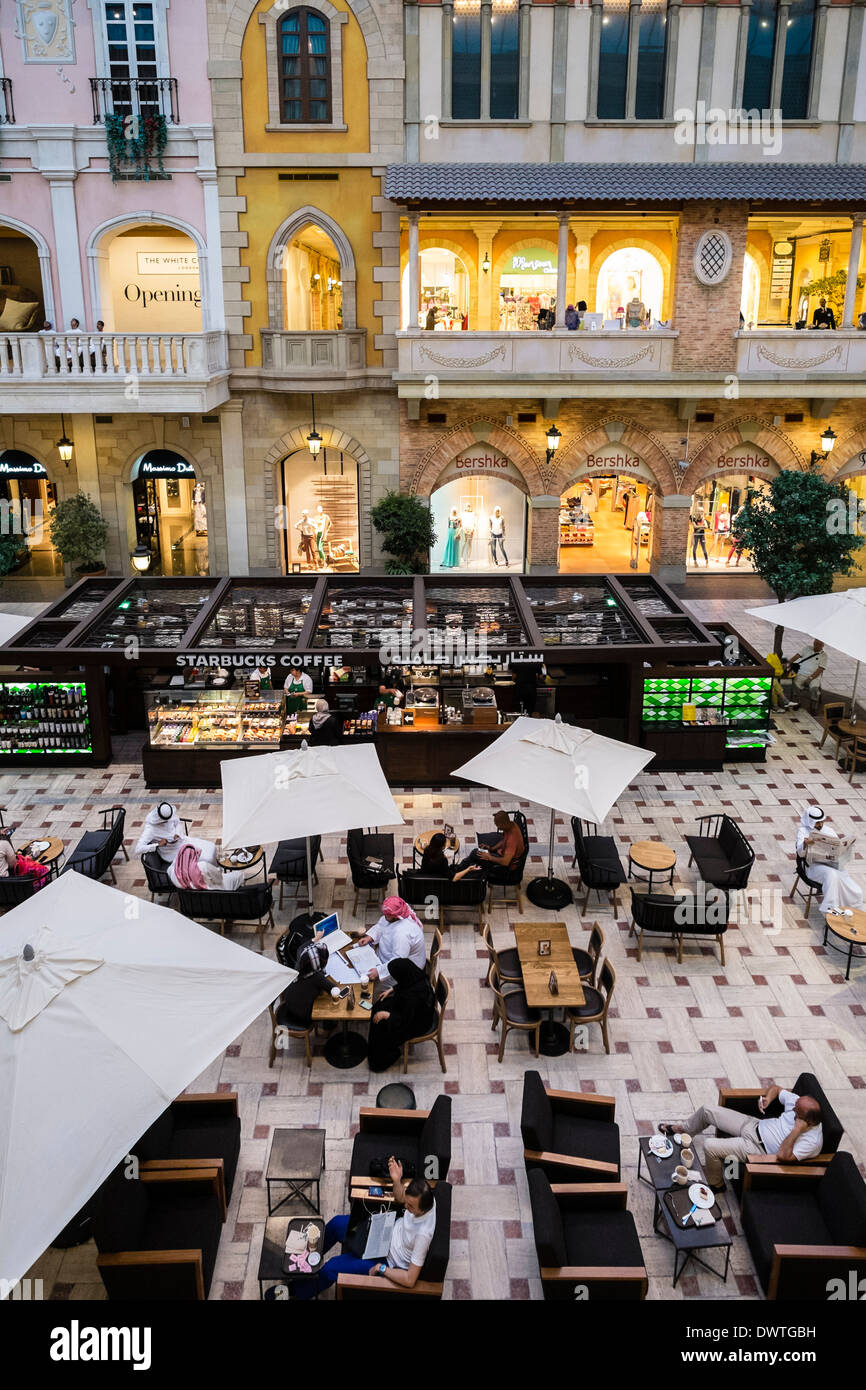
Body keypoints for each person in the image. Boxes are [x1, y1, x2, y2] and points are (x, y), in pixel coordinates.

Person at [293, 1164, 436, 1299]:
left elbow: (410, 1280)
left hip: (386, 1259)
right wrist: (397, 1180)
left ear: (422, 1210)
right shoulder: (424, 1197)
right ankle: (304, 1263)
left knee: (330, 1268)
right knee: (336, 1224)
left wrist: (383, 1269)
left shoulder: (422, 1235)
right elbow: (400, 1198)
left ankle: (297, 1293)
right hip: (384, 1230)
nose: (405, 1206)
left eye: (410, 1206)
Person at [658, 1084, 825, 1191]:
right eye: (795, 1107)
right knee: (707, 1110)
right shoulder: (798, 1104)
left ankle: (716, 1183)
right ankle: (683, 1130)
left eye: (797, 1112)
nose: (793, 1110)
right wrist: (768, 1098)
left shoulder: (812, 1142)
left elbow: (783, 1156)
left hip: (758, 1149)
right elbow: (776, 1088)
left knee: (709, 1146)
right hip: (754, 1125)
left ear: (808, 1121)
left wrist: (796, 1131)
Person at [368, 958, 437, 1072]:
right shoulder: (416, 975)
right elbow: (407, 983)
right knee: (380, 1005)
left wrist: (386, 1015)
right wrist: (392, 989)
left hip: (416, 1024)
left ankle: (380, 1060)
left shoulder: (413, 998)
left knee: (380, 1027)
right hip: (411, 1011)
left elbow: (405, 1022)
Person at [796, 805, 863, 914]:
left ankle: (852, 907)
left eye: (822, 821)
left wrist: (845, 849)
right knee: (831, 875)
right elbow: (800, 853)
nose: (820, 825)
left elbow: (836, 848)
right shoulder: (803, 831)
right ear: (811, 821)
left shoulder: (829, 830)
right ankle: (830, 908)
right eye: (817, 823)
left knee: (853, 888)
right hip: (813, 866)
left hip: (831, 864)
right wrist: (805, 844)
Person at [355, 896, 427, 986]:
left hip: (404, 972)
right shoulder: (399, 913)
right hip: (388, 959)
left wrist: (379, 972)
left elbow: (397, 963)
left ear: (395, 916)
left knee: (369, 985)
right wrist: (370, 937)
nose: (384, 916)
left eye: (387, 915)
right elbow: (382, 925)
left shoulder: (402, 934)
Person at [135, 801, 217, 865]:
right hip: (171, 852)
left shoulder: (169, 813)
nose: (168, 821)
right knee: (207, 858)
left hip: (183, 841)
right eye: (165, 821)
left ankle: (216, 874)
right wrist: (157, 845)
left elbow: (177, 822)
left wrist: (177, 832)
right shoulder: (150, 829)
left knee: (212, 847)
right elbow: (138, 849)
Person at [274, 938, 329, 1031]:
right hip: (303, 1015)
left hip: (289, 1005)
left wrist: (314, 939)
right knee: (327, 1003)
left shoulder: (300, 963)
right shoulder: (317, 977)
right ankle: (328, 1027)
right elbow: (334, 989)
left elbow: (301, 948)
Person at [460, 810, 525, 872]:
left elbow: (506, 862)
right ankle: (463, 867)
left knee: (475, 853)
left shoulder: (511, 840)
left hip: (505, 866)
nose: (498, 827)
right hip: (502, 853)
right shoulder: (511, 824)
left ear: (503, 824)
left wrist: (489, 857)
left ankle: (459, 870)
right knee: (479, 851)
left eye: (497, 825)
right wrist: (491, 848)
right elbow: (503, 841)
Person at [784, 638, 826, 708]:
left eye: (818, 644)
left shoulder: (824, 656)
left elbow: (820, 669)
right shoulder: (807, 648)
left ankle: (814, 705)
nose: (816, 646)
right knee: (795, 684)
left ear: (822, 645)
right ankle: (797, 701)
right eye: (815, 643)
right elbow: (797, 655)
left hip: (814, 677)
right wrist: (788, 663)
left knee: (814, 689)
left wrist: (810, 678)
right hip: (802, 674)